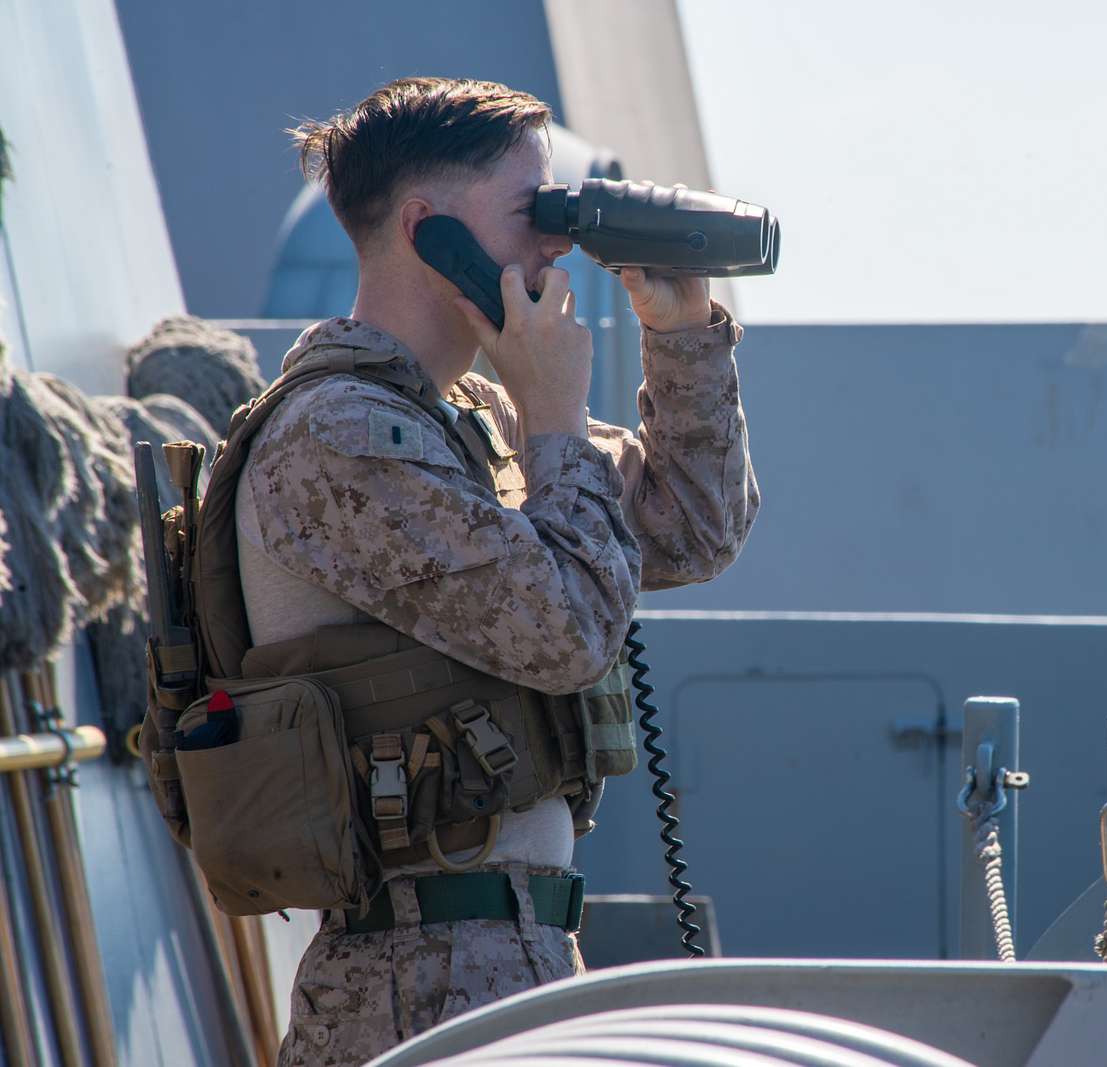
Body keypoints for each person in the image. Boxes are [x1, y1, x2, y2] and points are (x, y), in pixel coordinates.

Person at [234, 77, 757, 1066]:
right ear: (433, 233)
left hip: (498, 955)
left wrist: (679, 327)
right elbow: (562, 634)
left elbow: (688, 531)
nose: (557, 241)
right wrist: (556, 415)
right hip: (419, 975)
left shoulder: (471, 418)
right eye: (534, 210)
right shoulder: (340, 433)